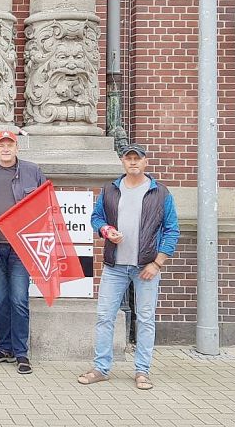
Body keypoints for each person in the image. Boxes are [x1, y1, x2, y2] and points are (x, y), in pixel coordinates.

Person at [78, 143, 179, 390]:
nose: (133, 162)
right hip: (114, 266)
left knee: (145, 319)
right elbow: (96, 217)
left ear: (145, 162)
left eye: (137, 158)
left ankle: (142, 371)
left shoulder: (161, 193)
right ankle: (101, 368)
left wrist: (157, 263)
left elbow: (171, 230)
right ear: (123, 162)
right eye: (128, 158)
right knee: (104, 317)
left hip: (146, 267)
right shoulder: (110, 190)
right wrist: (106, 230)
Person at [0, 130, 47, 375]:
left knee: (19, 300)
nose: (5, 149)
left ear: (17, 147)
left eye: (10, 145)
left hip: (21, 247)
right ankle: (4, 348)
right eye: (1, 145)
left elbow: (44, 206)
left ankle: (21, 353)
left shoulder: (32, 171)